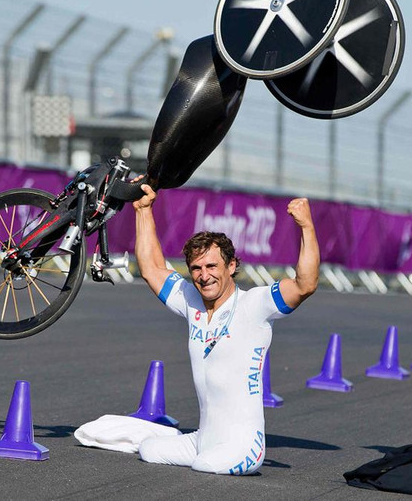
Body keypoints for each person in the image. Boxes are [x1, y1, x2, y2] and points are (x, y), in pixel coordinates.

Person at [133, 184, 319, 475]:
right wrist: (143, 211)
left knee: (205, 465)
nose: (204, 276)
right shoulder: (191, 301)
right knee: (149, 449)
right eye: (196, 268)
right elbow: (152, 269)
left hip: (245, 445)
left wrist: (306, 226)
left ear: (231, 266)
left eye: (211, 266)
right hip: (202, 440)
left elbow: (304, 284)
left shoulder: (254, 304)